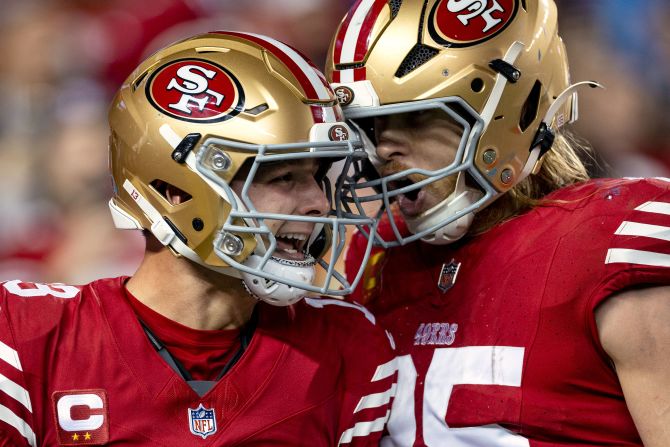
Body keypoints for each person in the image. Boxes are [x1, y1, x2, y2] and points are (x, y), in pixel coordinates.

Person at [0, 31, 397, 446]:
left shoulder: (348, 350)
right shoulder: (29, 338)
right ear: (176, 191)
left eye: (317, 177)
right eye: (284, 177)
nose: (318, 203)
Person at [326, 0, 670, 446]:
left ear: (512, 109)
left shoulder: (613, 243)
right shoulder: (377, 257)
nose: (383, 150)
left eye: (414, 116)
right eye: (369, 128)